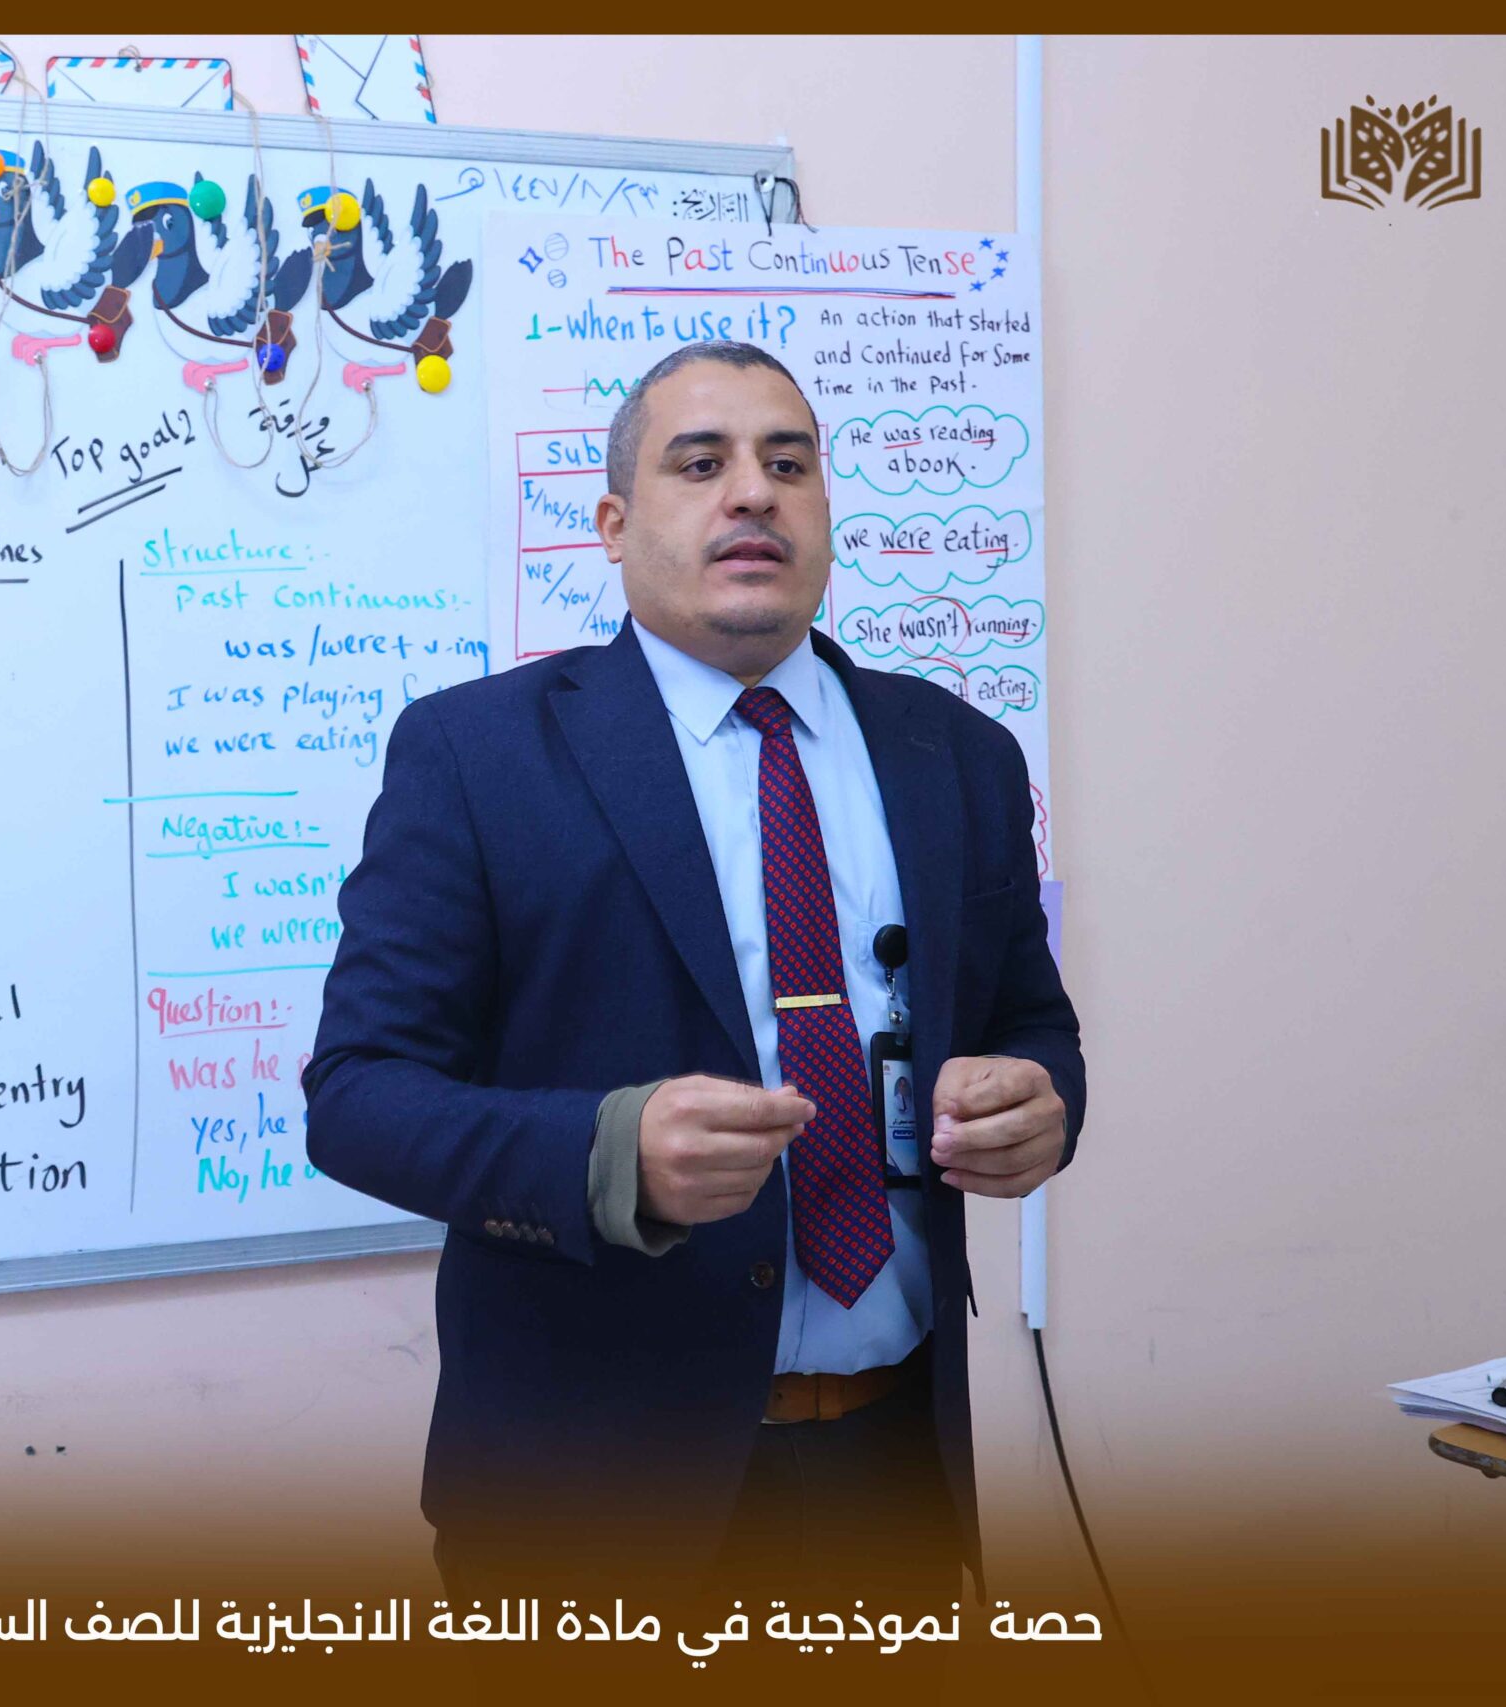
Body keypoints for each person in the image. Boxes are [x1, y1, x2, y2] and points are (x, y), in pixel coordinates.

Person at [301, 341, 1084, 1610]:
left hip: (892, 1476)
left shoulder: (956, 753)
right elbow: (357, 1096)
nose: (753, 492)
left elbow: (1032, 1026)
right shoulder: (478, 755)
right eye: (701, 463)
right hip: (586, 1501)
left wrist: (1038, 1104)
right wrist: (608, 1155)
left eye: (789, 463)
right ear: (614, 525)